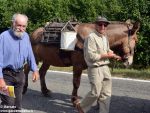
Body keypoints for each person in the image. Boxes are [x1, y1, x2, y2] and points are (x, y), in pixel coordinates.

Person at [74, 16, 121, 113]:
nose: (103, 26)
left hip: (105, 68)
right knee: (95, 93)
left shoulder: (104, 37)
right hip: (95, 68)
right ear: (96, 25)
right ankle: (81, 107)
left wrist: (114, 55)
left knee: (106, 94)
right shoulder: (91, 38)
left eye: (105, 25)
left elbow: (107, 50)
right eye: (100, 24)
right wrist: (107, 55)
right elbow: (91, 56)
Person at [0, 13, 39, 112]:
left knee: (17, 104)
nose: (21, 28)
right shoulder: (3, 37)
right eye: (19, 25)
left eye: (24, 26)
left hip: (20, 75)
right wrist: (0, 79)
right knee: (8, 103)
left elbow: (30, 54)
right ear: (13, 23)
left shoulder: (26, 36)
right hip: (6, 75)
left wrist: (35, 70)